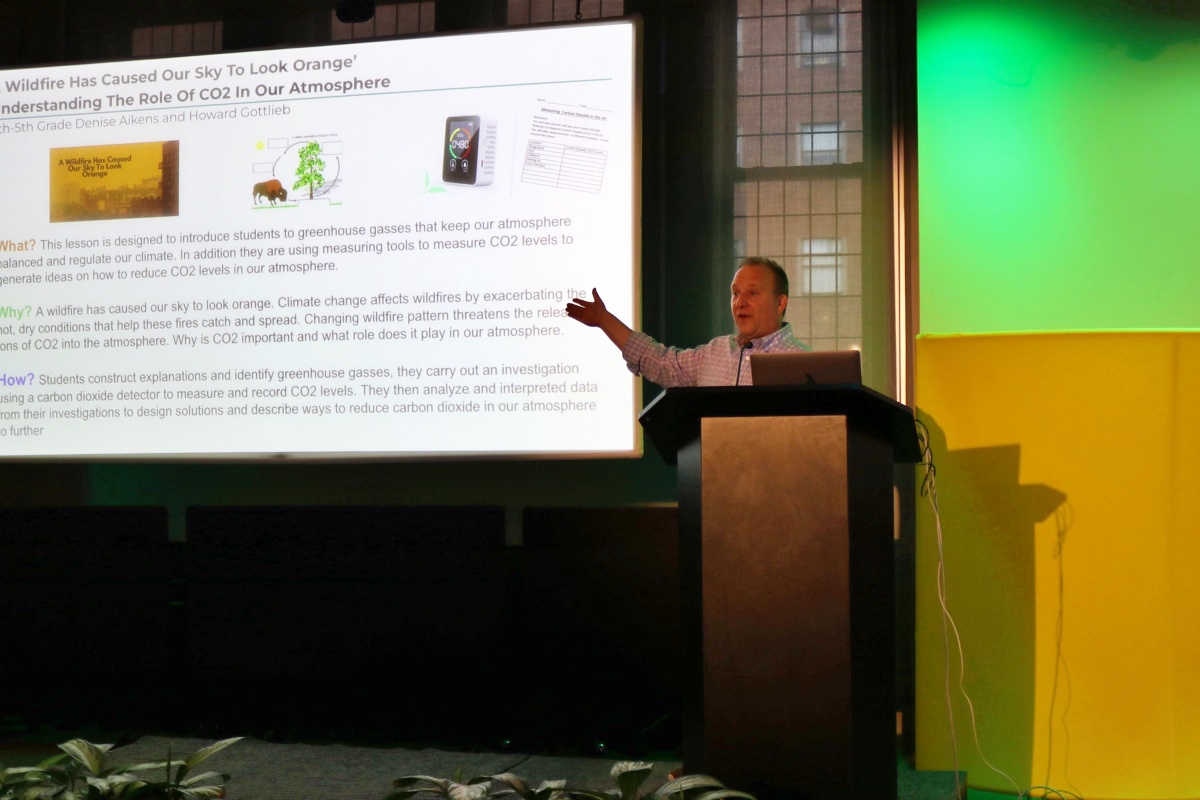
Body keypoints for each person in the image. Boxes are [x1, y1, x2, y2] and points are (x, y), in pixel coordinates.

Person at [565, 256, 810, 387]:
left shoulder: (803, 364)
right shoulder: (716, 352)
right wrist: (604, 321)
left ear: (780, 303)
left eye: (753, 293)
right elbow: (661, 363)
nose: (740, 302)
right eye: (735, 293)